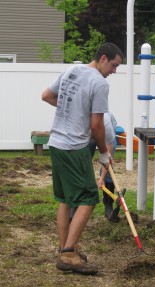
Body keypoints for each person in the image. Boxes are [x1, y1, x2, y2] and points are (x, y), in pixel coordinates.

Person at [41, 42, 124, 275]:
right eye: (115, 65)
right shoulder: (99, 83)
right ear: (104, 58)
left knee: (65, 198)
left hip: (56, 143)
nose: (114, 71)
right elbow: (97, 125)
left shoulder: (72, 70)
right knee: (88, 198)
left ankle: (66, 248)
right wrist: (104, 153)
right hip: (73, 148)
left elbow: (47, 96)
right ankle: (68, 254)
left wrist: (74, 112)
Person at [89, 112, 119, 221]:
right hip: (87, 134)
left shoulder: (107, 126)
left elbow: (107, 161)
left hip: (107, 136)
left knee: (108, 171)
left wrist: (102, 179)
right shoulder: (81, 123)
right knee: (83, 165)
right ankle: (77, 204)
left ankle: (108, 206)